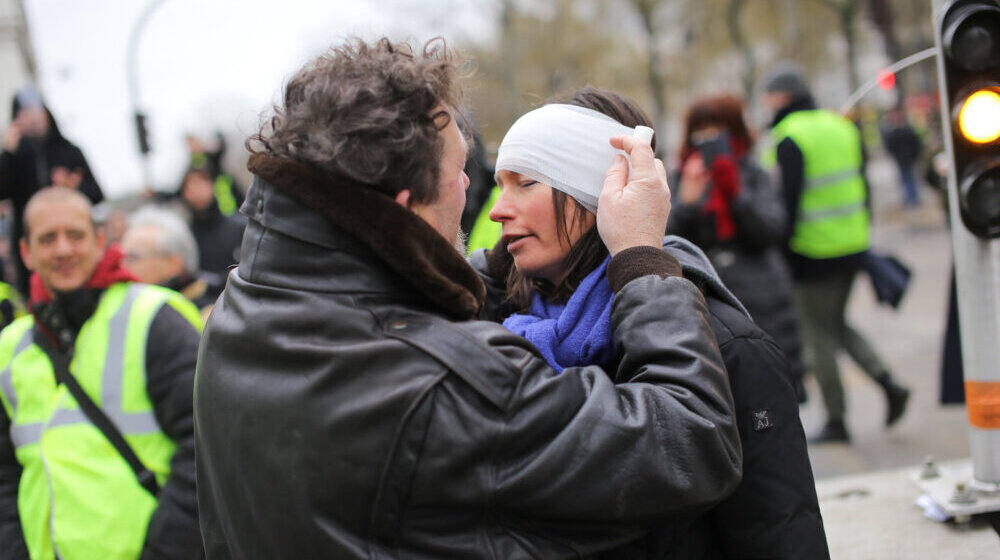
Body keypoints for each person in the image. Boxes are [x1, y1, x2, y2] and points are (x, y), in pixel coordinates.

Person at [194, 37, 742, 559]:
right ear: (405, 206)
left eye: (523, 182)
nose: (478, 195)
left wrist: (489, 268)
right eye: (461, 171)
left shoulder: (242, 308)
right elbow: (693, 440)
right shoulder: (446, 387)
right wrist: (643, 259)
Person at [476, 87, 828, 559]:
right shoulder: (495, 326)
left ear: (599, 190)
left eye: (526, 182)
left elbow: (778, 535)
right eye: (500, 184)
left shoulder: (724, 345)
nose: (498, 209)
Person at [0, 187, 203, 558]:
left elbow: (204, 453)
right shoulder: (9, 350)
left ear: (99, 241)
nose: (62, 250)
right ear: (27, 253)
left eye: (75, 235)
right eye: (47, 239)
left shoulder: (153, 320)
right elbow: (5, 477)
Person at [761, 65, 910, 443]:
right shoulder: (841, 125)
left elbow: (786, 204)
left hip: (811, 252)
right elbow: (862, 185)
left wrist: (782, 251)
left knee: (817, 337)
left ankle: (837, 420)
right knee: (836, 325)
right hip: (852, 245)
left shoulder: (788, 136)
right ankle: (888, 382)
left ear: (782, 98)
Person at [668, 93, 807, 402]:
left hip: (763, 300)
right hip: (704, 303)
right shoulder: (681, 178)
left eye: (717, 130)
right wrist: (688, 203)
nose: (707, 139)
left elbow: (771, 231)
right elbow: (666, 242)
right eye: (700, 131)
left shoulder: (753, 174)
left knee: (770, 400)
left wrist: (735, 194)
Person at [0, 86, 104, 296]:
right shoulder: (15, 156)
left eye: (36, 112)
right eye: (25, 114)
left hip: (77, 247)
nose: (33, 120)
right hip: (33, 245)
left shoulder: (69, 151)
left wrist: (74, 189)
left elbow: (97, 193)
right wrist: (7, 153)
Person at [121, 205, 222, 316]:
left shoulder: (210, 317)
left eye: (133, 257)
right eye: (121, 257)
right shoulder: (133, 309)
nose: (122, 265)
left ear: (174, 265)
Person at [178, 166, 245, 280]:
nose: (196, 191)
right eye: (189, 186)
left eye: (201, 183)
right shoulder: (184, 234)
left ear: (212, 186)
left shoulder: (239, 227)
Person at [881, 109, 924, 208]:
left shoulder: (904, 130)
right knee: (906, 178)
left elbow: (915, 144)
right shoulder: (900, 131)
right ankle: (911, 198)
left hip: (906, 158)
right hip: (902, 159)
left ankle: (912, 199)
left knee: (908, 178)